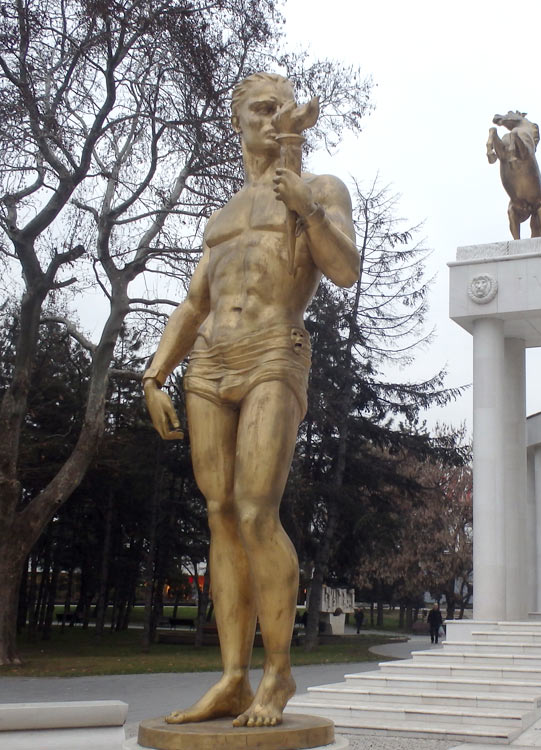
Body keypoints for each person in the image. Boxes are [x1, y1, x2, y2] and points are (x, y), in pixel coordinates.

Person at [143, 72, 360, 728]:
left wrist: (308, 209)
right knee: (219, 515)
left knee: (255, 510)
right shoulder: (223, 215)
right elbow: (193, 302)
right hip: (210, 361)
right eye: (260, 110)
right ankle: (233, 676)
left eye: (280, 109)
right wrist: (153, 374)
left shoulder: (319, 187)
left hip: (273, 350)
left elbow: (345, 269)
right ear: (237, 122)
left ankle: (278, 673)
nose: (272, 119)